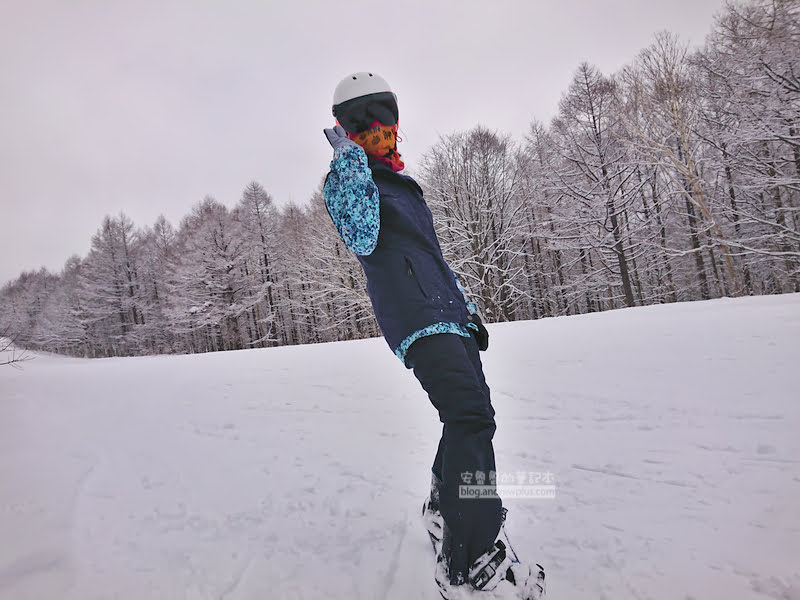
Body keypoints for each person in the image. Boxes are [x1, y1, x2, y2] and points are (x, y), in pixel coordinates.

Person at [322, 72, 545, 599]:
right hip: (415, 316)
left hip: (446, 312)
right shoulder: (346, 180)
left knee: (470, 416)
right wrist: (348, 162)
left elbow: (429, 257)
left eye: (384, 115)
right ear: (344, 129)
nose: (377, 130)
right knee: (471, 418)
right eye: (361, 121)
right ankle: (471, 563)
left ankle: (447, 514)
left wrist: (467, 308)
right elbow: (362, 235)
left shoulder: (400, 183)